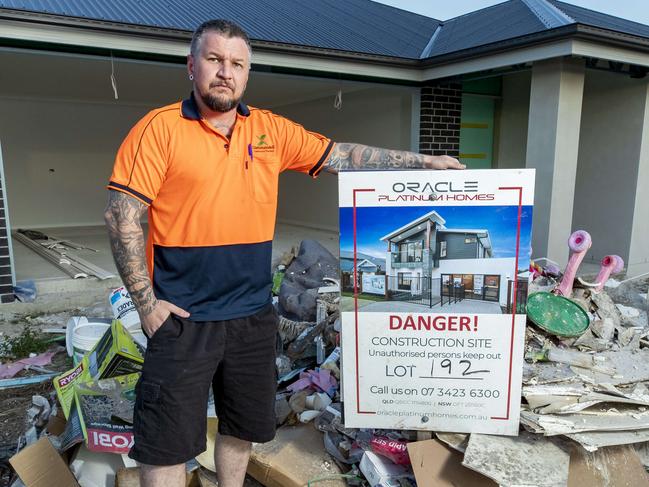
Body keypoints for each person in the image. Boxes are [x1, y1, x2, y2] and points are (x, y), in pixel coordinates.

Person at [104, 19, 464, 487]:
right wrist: (146, 305)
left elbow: (340, 155)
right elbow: (121, 216)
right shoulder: (159, 129)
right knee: (167, 442)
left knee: (241, 428)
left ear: (247, 73)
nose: (225, 72)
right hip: (183, 319)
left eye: (237, 64)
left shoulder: (269, 130)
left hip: (253, 316)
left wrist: (425, 162)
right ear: (191, 66)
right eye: (214, 60)